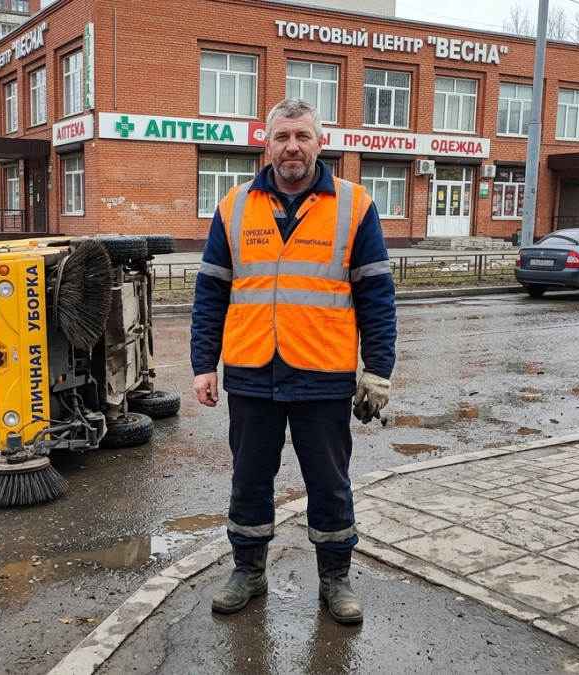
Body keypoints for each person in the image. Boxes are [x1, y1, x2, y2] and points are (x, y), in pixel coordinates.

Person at [190, 99, 397, 625]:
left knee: (329, 484)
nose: (292, 147)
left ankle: (335, 579)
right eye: (282, 136)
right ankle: (248, 572)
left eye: (303, 136)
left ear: (320, 143)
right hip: (252, 371)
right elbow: (211, 292)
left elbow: (376, 295)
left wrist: (378, 370)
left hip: (322, 373)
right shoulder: (235, 206)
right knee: (249, 479)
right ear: (267, 144)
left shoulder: (354, 205)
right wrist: (203, 364)